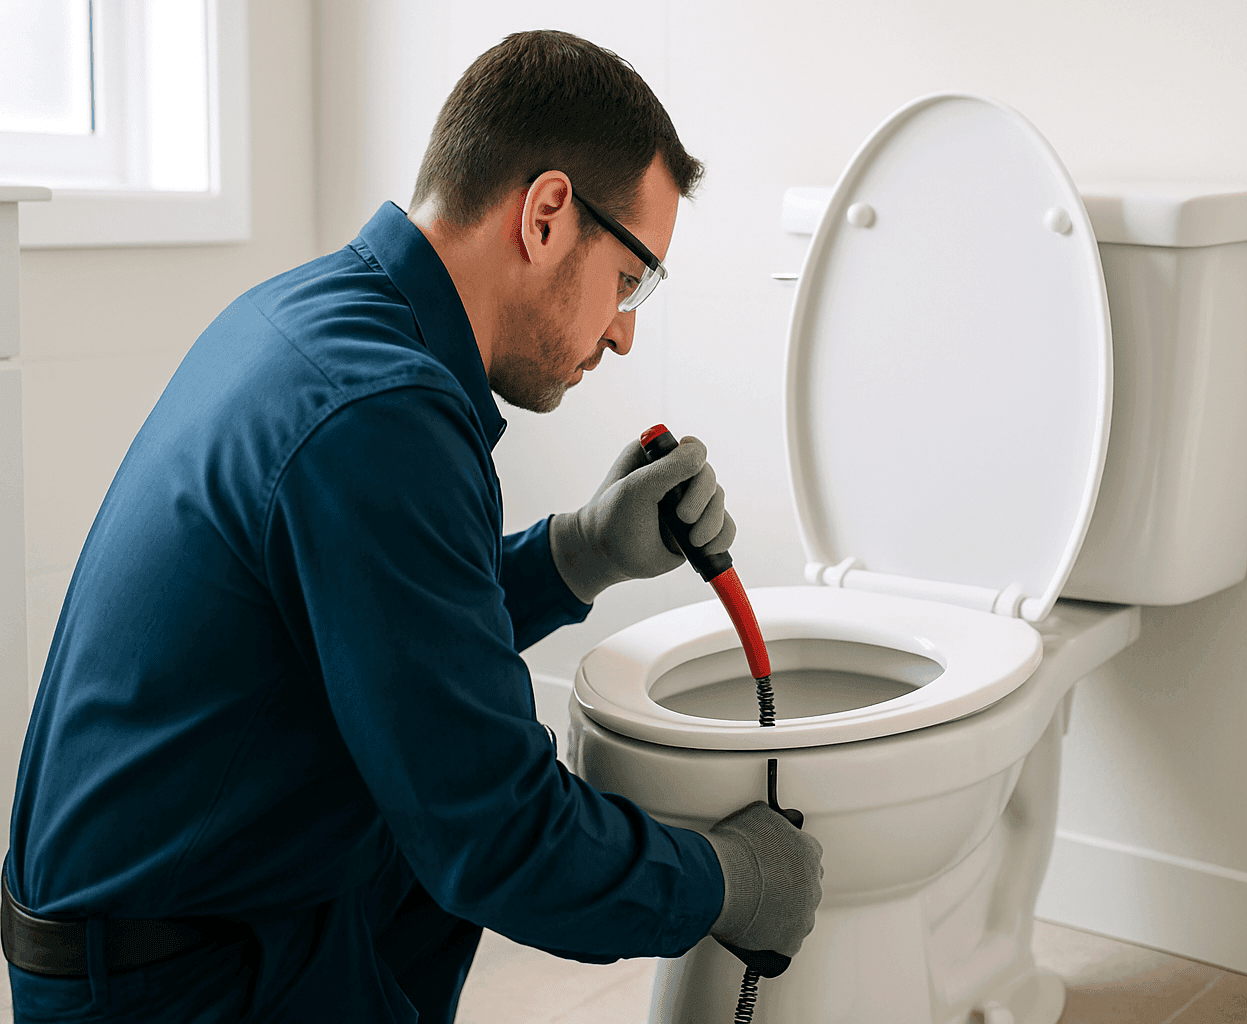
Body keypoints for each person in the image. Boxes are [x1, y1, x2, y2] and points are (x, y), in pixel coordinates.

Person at [2, 30, 822, 1022]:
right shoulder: (379, 413)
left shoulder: (317, 319)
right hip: (169, 981)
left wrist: (579, 551)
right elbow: (501, 837)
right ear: (549, 213)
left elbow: (393, 639)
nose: (622, 329)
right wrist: (729, 879)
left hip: (176, 912)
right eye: (632, 277)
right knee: (461, 840)